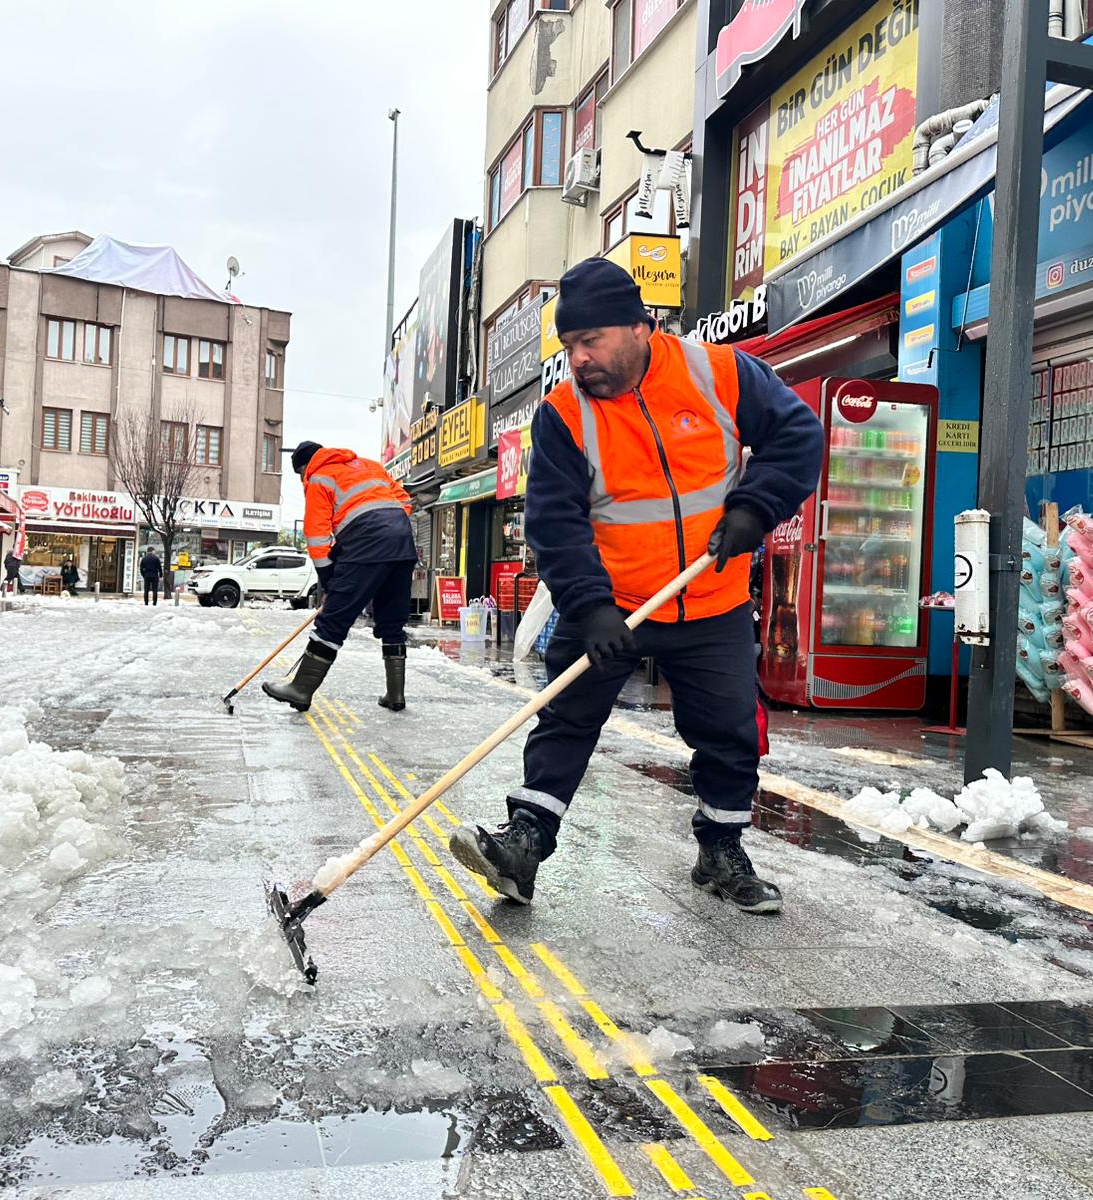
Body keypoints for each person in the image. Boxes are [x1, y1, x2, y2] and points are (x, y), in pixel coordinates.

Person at [449, 258, 822, 914]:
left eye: (590, 342)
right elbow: (555, 521)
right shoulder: (563, 414)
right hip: (614, 603)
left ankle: (721, 849)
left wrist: (754, 509)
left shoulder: (720, 372)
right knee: (566, 714)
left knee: (729, 729)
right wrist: (588, 606)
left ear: (639, 326)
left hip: (711, 596)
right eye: (569, 347)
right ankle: (526, 843)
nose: (579, 359)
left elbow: (798, 436)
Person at [263, 442, 417, 713]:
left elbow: (317, 536)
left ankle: (300, 689)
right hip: (402, 540)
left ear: (303, 467)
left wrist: (330, 580)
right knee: (392, 621)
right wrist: (386, 528)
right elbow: (403, 500)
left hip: (367, 543)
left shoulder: (319, 477)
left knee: (334, 619)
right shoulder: (370, 466)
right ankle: (396, 695)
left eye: (300, 475)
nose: (302, 480)